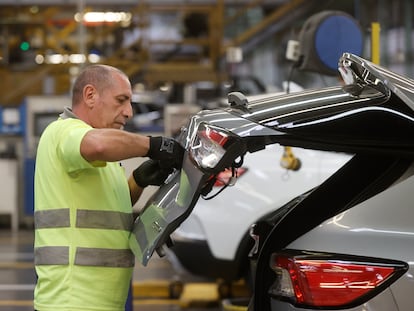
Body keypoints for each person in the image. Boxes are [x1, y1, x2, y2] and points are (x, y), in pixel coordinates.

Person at [33, 64, 183, 311]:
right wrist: (154, 145)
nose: (129, 112)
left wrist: (138, 180)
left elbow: (113, 206)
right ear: (90, 95)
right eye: (121, 100)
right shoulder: (64, 131)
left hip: (101, 301)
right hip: (71, 300)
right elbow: (98, 146)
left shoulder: (103, 156)